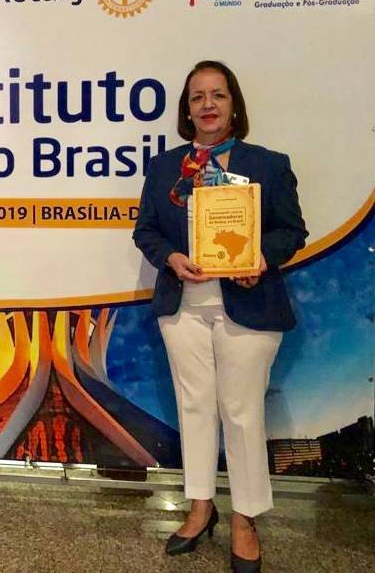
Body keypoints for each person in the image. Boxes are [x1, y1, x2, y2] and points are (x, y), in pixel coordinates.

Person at [133, 60, 307, 572]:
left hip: (248, 305)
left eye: (218, 95)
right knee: (194, 408)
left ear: (234, 106)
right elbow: (146, 230)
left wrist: (260, 259)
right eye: (197, 97)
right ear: (187, 111)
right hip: (183, 306)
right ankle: (200, 507)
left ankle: (245, 519)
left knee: (241, 412)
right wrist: (170, 257)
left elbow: (291, 231)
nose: (207, 104)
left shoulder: (268, 164)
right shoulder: (164, 168)